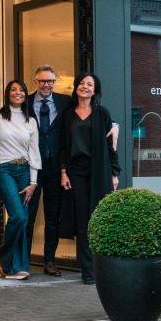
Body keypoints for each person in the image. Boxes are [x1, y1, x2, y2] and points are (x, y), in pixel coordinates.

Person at [26, 64, 119, 277]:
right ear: (36, 82)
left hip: (84, 169)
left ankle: (55, 261)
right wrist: (65, 171)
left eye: (50, 80)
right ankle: (23, 262)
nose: (46, 84)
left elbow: (108, 137)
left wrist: (116, 127)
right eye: (42, 81)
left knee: (59, 217)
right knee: (29, 217)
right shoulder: (34, 104)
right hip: (42, 167)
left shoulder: (67, 103)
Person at [59, 73, 121, 285]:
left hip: (99, 170)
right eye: (82, 83)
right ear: (76, 88)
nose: (85, 87)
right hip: (75, 172)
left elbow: (111, 147)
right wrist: (64, 172)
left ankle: (103, 265)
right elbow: (63, 147)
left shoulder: (102, 114)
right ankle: (88, 271)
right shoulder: (68, 115)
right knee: (82, 221)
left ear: (95, 90)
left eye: (90, 84)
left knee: (99, 219)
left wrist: (114, 173)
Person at [0, 80, 41, 280]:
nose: (17, 92)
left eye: (21, 90)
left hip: (24, 170)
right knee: (18, 216)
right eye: (13, 89)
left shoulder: (30, 121)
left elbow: (34, 151)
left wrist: (33, 183)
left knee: (24, 220)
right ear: (7, 93)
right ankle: (2, 258)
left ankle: (17, 267)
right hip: (3, 169)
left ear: (25, 95)